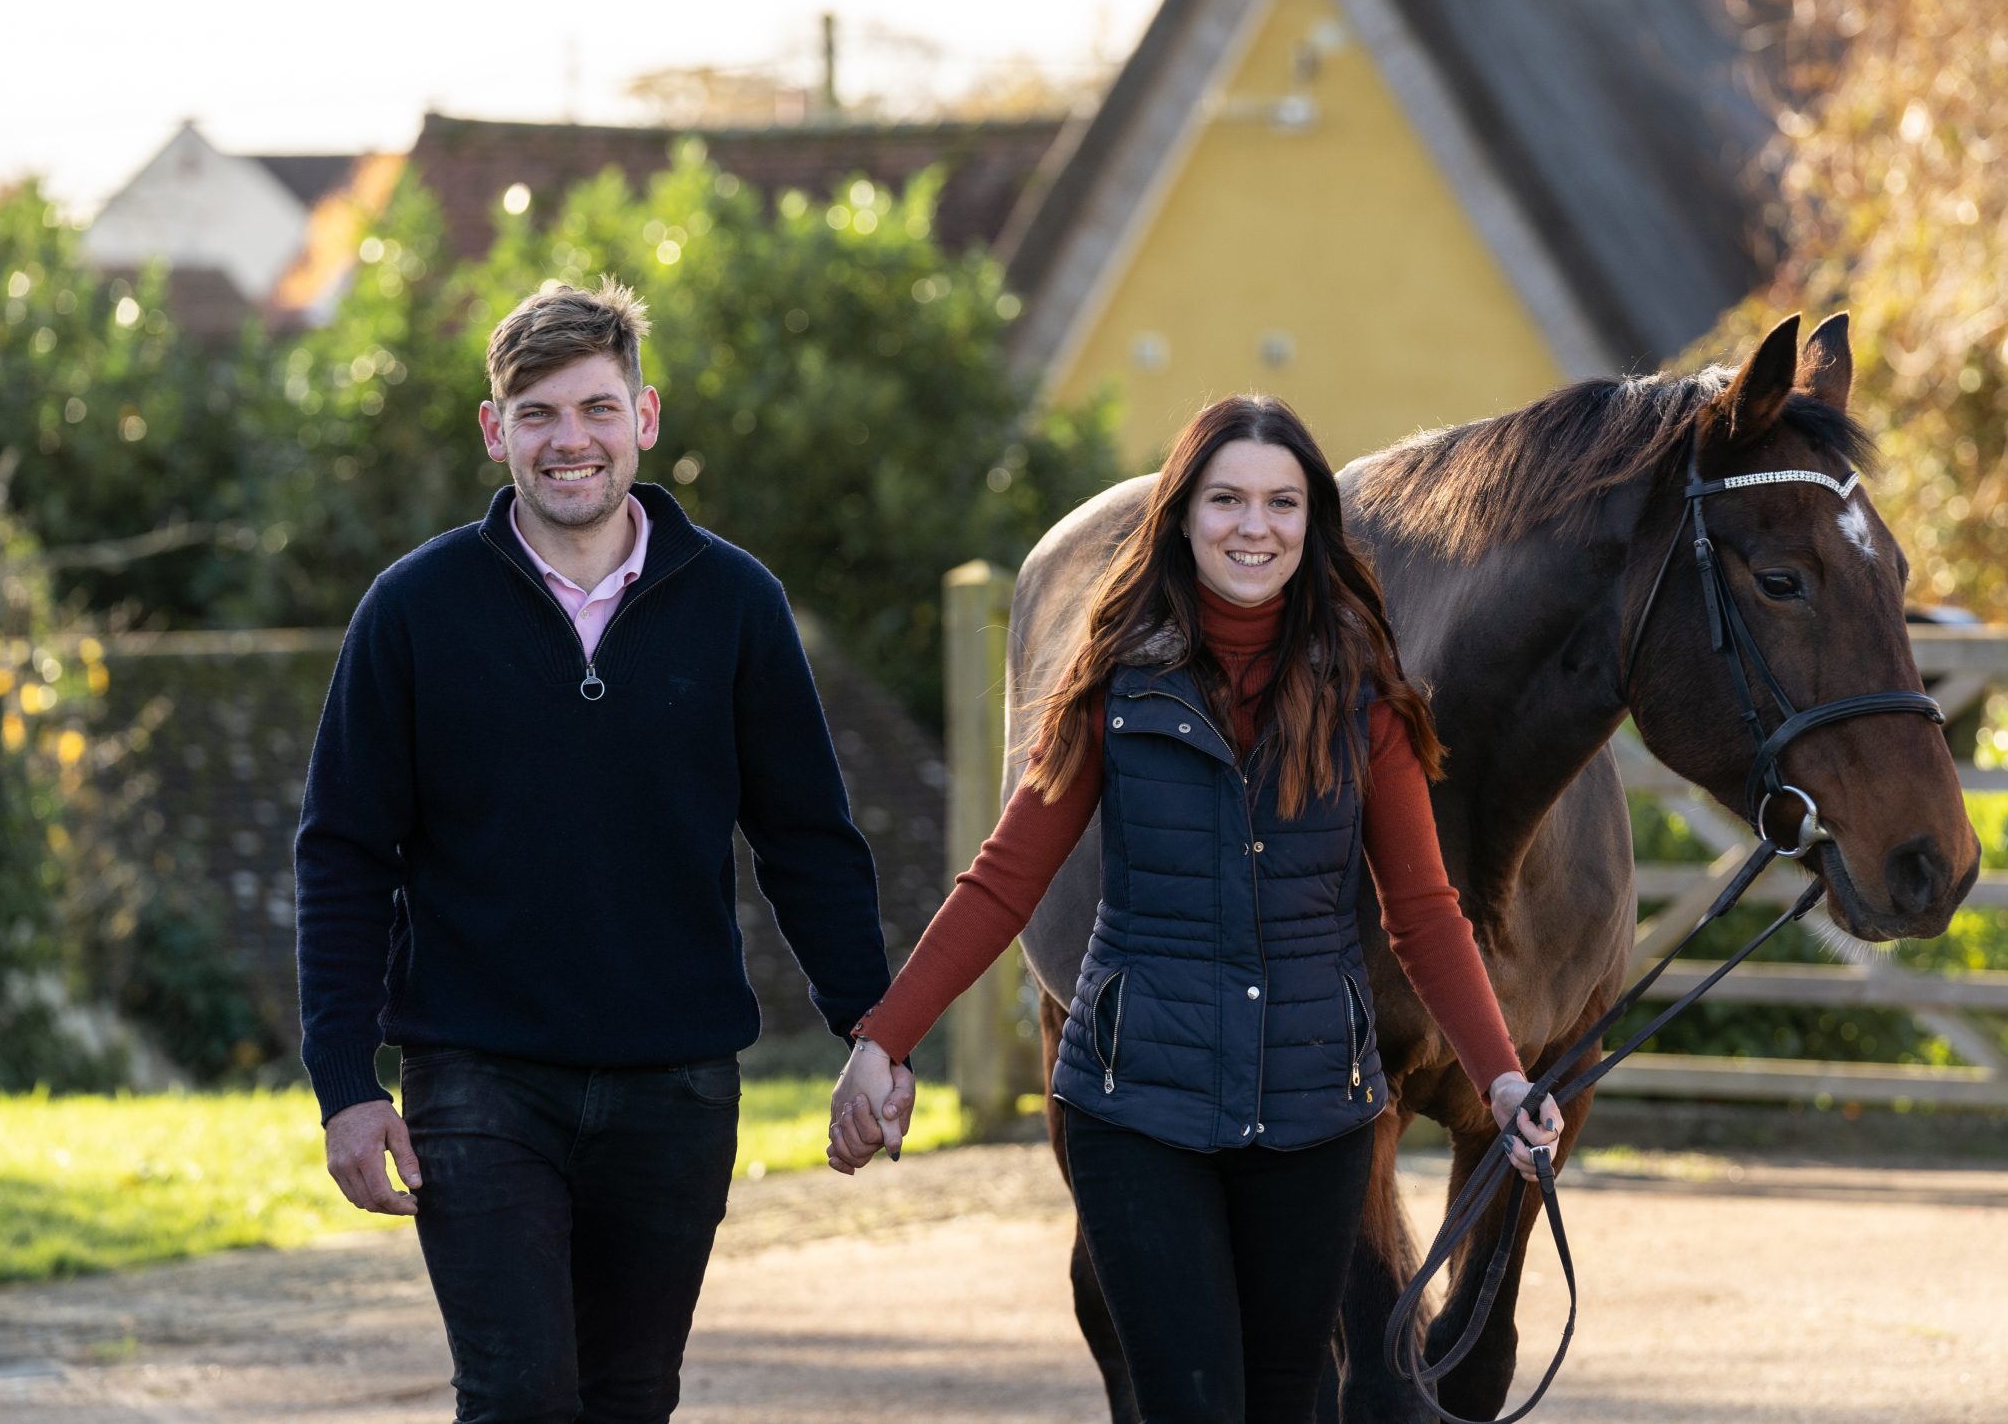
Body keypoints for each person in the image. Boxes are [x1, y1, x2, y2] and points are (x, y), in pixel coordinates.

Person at [829, 395, 1560, 1423]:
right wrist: (885, 1042)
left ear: (1313, 528)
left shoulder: (1367, 700)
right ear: (1181, 517)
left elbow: (1425, 914)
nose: (1251, 526)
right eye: (1224, 500)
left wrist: (1502, 1080)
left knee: (1292, 1399)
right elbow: (1004, 877)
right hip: (1136, 1110)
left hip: (1312, 1116)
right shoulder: (1112, 685)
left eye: (1279, 503)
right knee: (1192, 1402)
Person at [294, 278, 909, 1423]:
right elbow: (340, 854)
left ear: (646, 416)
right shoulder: (413, 609)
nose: (568, 440)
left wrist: (874, 1031)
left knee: (630, 1399)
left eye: (595, 409)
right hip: (474, 1077)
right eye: (536, 414)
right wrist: (343, 1082)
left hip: (674, 1085)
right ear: (495, 431)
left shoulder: (735, 604)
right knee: (519, 1396)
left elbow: (808, 841)